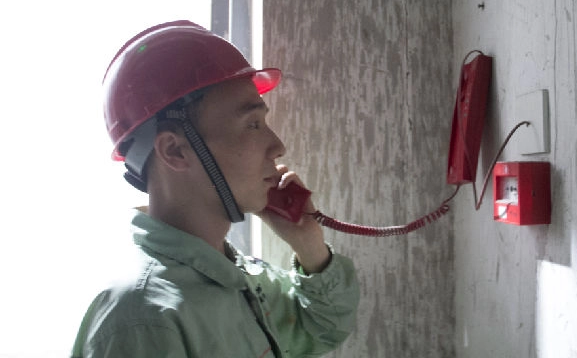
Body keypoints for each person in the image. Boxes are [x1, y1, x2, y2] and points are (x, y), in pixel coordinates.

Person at [71, 20, 360, 357]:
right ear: (175, 150)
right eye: (252, 124)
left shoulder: (234, 278)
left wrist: (309, 246)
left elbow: (322, 326)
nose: (278, 146)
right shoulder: (142, 318)